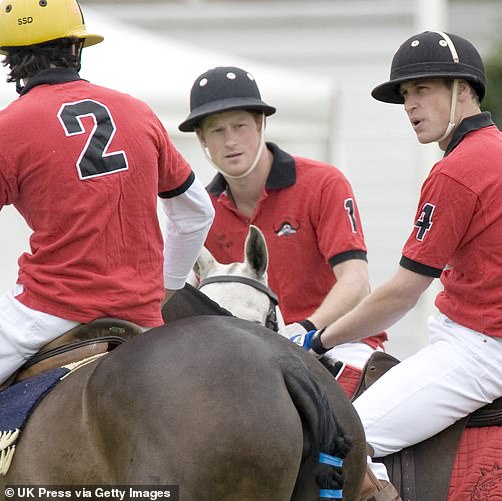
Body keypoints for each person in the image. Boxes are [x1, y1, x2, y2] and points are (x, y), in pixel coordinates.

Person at [295, 31, 502, 500]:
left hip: (477, 353)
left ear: (465, 89)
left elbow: (401, 295)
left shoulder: (457, 169)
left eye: (423, 89)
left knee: (340, 438)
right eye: (405, 95)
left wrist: (318, 339)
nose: (411, 106)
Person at [0, 0, 214, 386]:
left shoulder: (8, 126)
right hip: (142, 314)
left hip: (47, 311)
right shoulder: (138, 111)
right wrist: (165, 287)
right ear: (74, 48)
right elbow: (197, 212)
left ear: (11, 60)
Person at [178, 66, 387, 397]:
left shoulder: (322, 183)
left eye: (239, 126)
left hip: (336, 343)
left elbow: (356, 282)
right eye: (216, 131)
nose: (230, 141)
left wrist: (305, 330)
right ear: (202, 139)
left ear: (261, 124)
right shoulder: (200, 211)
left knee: (358, 435)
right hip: (247, 357)